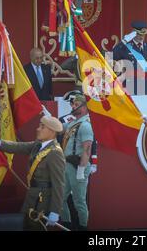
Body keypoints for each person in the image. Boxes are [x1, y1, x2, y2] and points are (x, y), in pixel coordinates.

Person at [0, 116, 65, 231]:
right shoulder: (38, 145)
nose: (38, 129)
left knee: (36, 227)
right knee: (27, 225)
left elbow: (59, 184)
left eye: (42, 126)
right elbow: (18, 147)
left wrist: (55, 211)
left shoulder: (55, 153)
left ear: (52, 131)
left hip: (42, 202)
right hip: (32, 196)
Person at [59, 94, 94, 230]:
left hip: (78, 165)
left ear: (84, 107)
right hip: (67, 165)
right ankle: (67, 226)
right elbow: (59, 128)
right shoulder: (73, 122)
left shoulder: (85, 125)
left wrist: (81, 169)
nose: (72, 107)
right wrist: (49, 117)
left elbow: (87, 150)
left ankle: (83, 228)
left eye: (75, 104)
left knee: (79, 201)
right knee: (61, 198)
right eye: (72, 104)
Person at [112, 21, 147, 95]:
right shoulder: (126, 47)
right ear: (133, 33)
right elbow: (113, 55)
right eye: (138, 34)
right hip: (131, 86)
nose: (141, 37)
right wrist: (123, 42)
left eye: (143, 34)